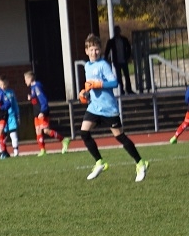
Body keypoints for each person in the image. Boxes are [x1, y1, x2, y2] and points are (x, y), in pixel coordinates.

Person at [77, 33, 149, 182]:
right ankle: (100, 162)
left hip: (108, 108)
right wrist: (84, 92)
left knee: (120, 137)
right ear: (86, 51)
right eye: (91, 49)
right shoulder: (87, 66)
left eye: (97, 49)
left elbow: (114, 83)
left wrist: (99, 84)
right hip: (94, 107)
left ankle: (141, 163)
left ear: (100, 50)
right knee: (84, 132)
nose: (94, 52)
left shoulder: (103, 65)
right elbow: (90, 85)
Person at [24, 71, 70, 156]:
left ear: (30, 78)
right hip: (36, 112)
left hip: (42, 112)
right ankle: (42, 150)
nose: (25, 81)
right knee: (38, 130)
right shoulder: (33, 87)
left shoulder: (37, 86)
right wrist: (31, 98)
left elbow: (43, 99)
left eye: (26, 79)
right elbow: (36, 99)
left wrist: (43, 111)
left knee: (46, 130)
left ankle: (63, 140)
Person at [104, 26, 135, 95]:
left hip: (124, 60)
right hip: (116, 61)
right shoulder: (111, 41)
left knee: (127, 75)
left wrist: (128, 56)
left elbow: (129, 48)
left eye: (118, 31)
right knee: (119, 76)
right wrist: (106, 59)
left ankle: (129, 89)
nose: (117, 32)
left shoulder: (124, 39)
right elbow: (107, 50)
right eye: (116, 31)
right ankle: (121, 90)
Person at [0, 76, 21, 157]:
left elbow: (15, 104)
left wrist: (17, 115)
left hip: (11, 116)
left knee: (13, 134)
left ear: (7, 83)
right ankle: (1, 151)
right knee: (2, 135)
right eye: (1, 84)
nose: (3, 86)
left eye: (4, 84)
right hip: (2, 117)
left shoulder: (11, 92)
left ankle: (16, 151)